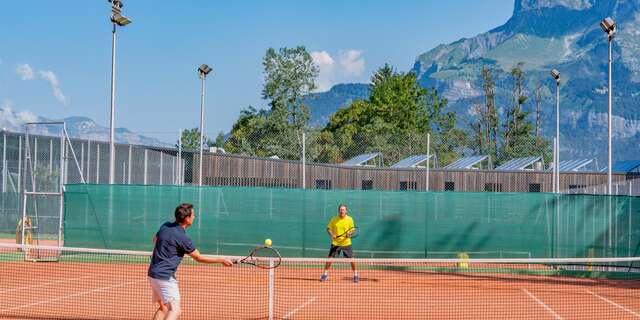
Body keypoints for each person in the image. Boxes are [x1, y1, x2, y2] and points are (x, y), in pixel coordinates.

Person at [148, 203, 233, 320]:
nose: (194, 217)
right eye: (193, 215)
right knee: (175, 310)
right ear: (187, 218)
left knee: (164, 308)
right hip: (164, 277)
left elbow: (155, 239)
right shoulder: (182, 238)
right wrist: (221, 260)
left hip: (152, 274)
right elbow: (199, 258)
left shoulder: (165, 226)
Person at [320, 203, 358, 283]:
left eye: (343, 210)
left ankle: (355, 275)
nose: (342, 211)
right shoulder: (334, 219)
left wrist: (349, 234)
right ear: (338, 211)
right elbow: (328, 228)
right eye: (340, 210)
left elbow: (353, 229)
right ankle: (325, 274)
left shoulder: (350, 219)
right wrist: (332, 234)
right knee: (329, 259)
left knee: (352, 260)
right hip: (336, 243)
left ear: (346, 211)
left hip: (346, 243)